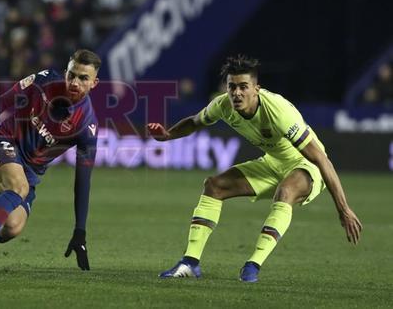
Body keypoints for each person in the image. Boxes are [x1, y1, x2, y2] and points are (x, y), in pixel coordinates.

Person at [148, 55, 362, 282]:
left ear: (256, 89)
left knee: (285, 192)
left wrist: (343, 209)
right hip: (272, 163)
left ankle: (252, 266)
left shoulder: (278, 111)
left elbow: (321, 159)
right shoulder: (223, 105)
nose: (236, 93)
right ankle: (190, 263)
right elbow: (195, 121)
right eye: (232, 87)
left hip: (306, 165)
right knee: (214, 186)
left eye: (243, 87)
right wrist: (169, 134)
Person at [0, 50, 101, 274]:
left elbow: (83, 181)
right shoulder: (45, 80)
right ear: (65, 73)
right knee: (18, 187)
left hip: (30, 172)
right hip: (1, 143)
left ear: (94, 83)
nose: (75, 82)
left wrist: (80, 230)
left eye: (83, 78)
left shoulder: (86, 126)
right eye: (72, 75)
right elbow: (5, 98)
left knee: (12, 227)